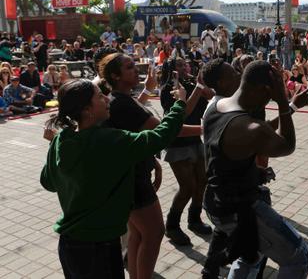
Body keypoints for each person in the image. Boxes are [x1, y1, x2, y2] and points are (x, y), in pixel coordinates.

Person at [40, 79, 187, 279]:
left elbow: (47, 182)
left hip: (70, 246)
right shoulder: (110, 140)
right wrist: (180, 104)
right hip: (99, 248)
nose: (107, 99)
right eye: (100, 96)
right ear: (86, 110)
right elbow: (159, 136)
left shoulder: (60, 139)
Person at [202, 60, 308, 278]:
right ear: (265, 90)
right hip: (240, 210)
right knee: (299, 257)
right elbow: (286, 146)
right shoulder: (249, 126)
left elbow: (229, 155)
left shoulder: (215, 108)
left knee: (251, 253)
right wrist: (282, 102)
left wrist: (254, 173)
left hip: (215, 201)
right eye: (269, 96)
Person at [99, 53, 201, 278]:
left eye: (135, 65)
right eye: (129, 67)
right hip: (134, 180)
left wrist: (152, 160)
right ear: (116, 76)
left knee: (138, 234)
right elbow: (166, 130)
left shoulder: (122, 99)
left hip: (127, 176)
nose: (136, 70)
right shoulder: (123, 104)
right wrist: (206, 128)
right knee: (154, 233)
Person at [160, 58, 214, 246]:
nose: (186, 67)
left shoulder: (191, 84)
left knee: (202, 181)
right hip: (177, 143)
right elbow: (182, 113)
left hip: (194, 141)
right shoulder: (169, 89)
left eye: (186, 64)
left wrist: (203, 85)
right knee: (188, 187)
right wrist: (198, 88)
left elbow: (211, 96)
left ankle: (194, 219)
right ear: (171, 70)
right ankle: (172, 226)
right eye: (180, 65)